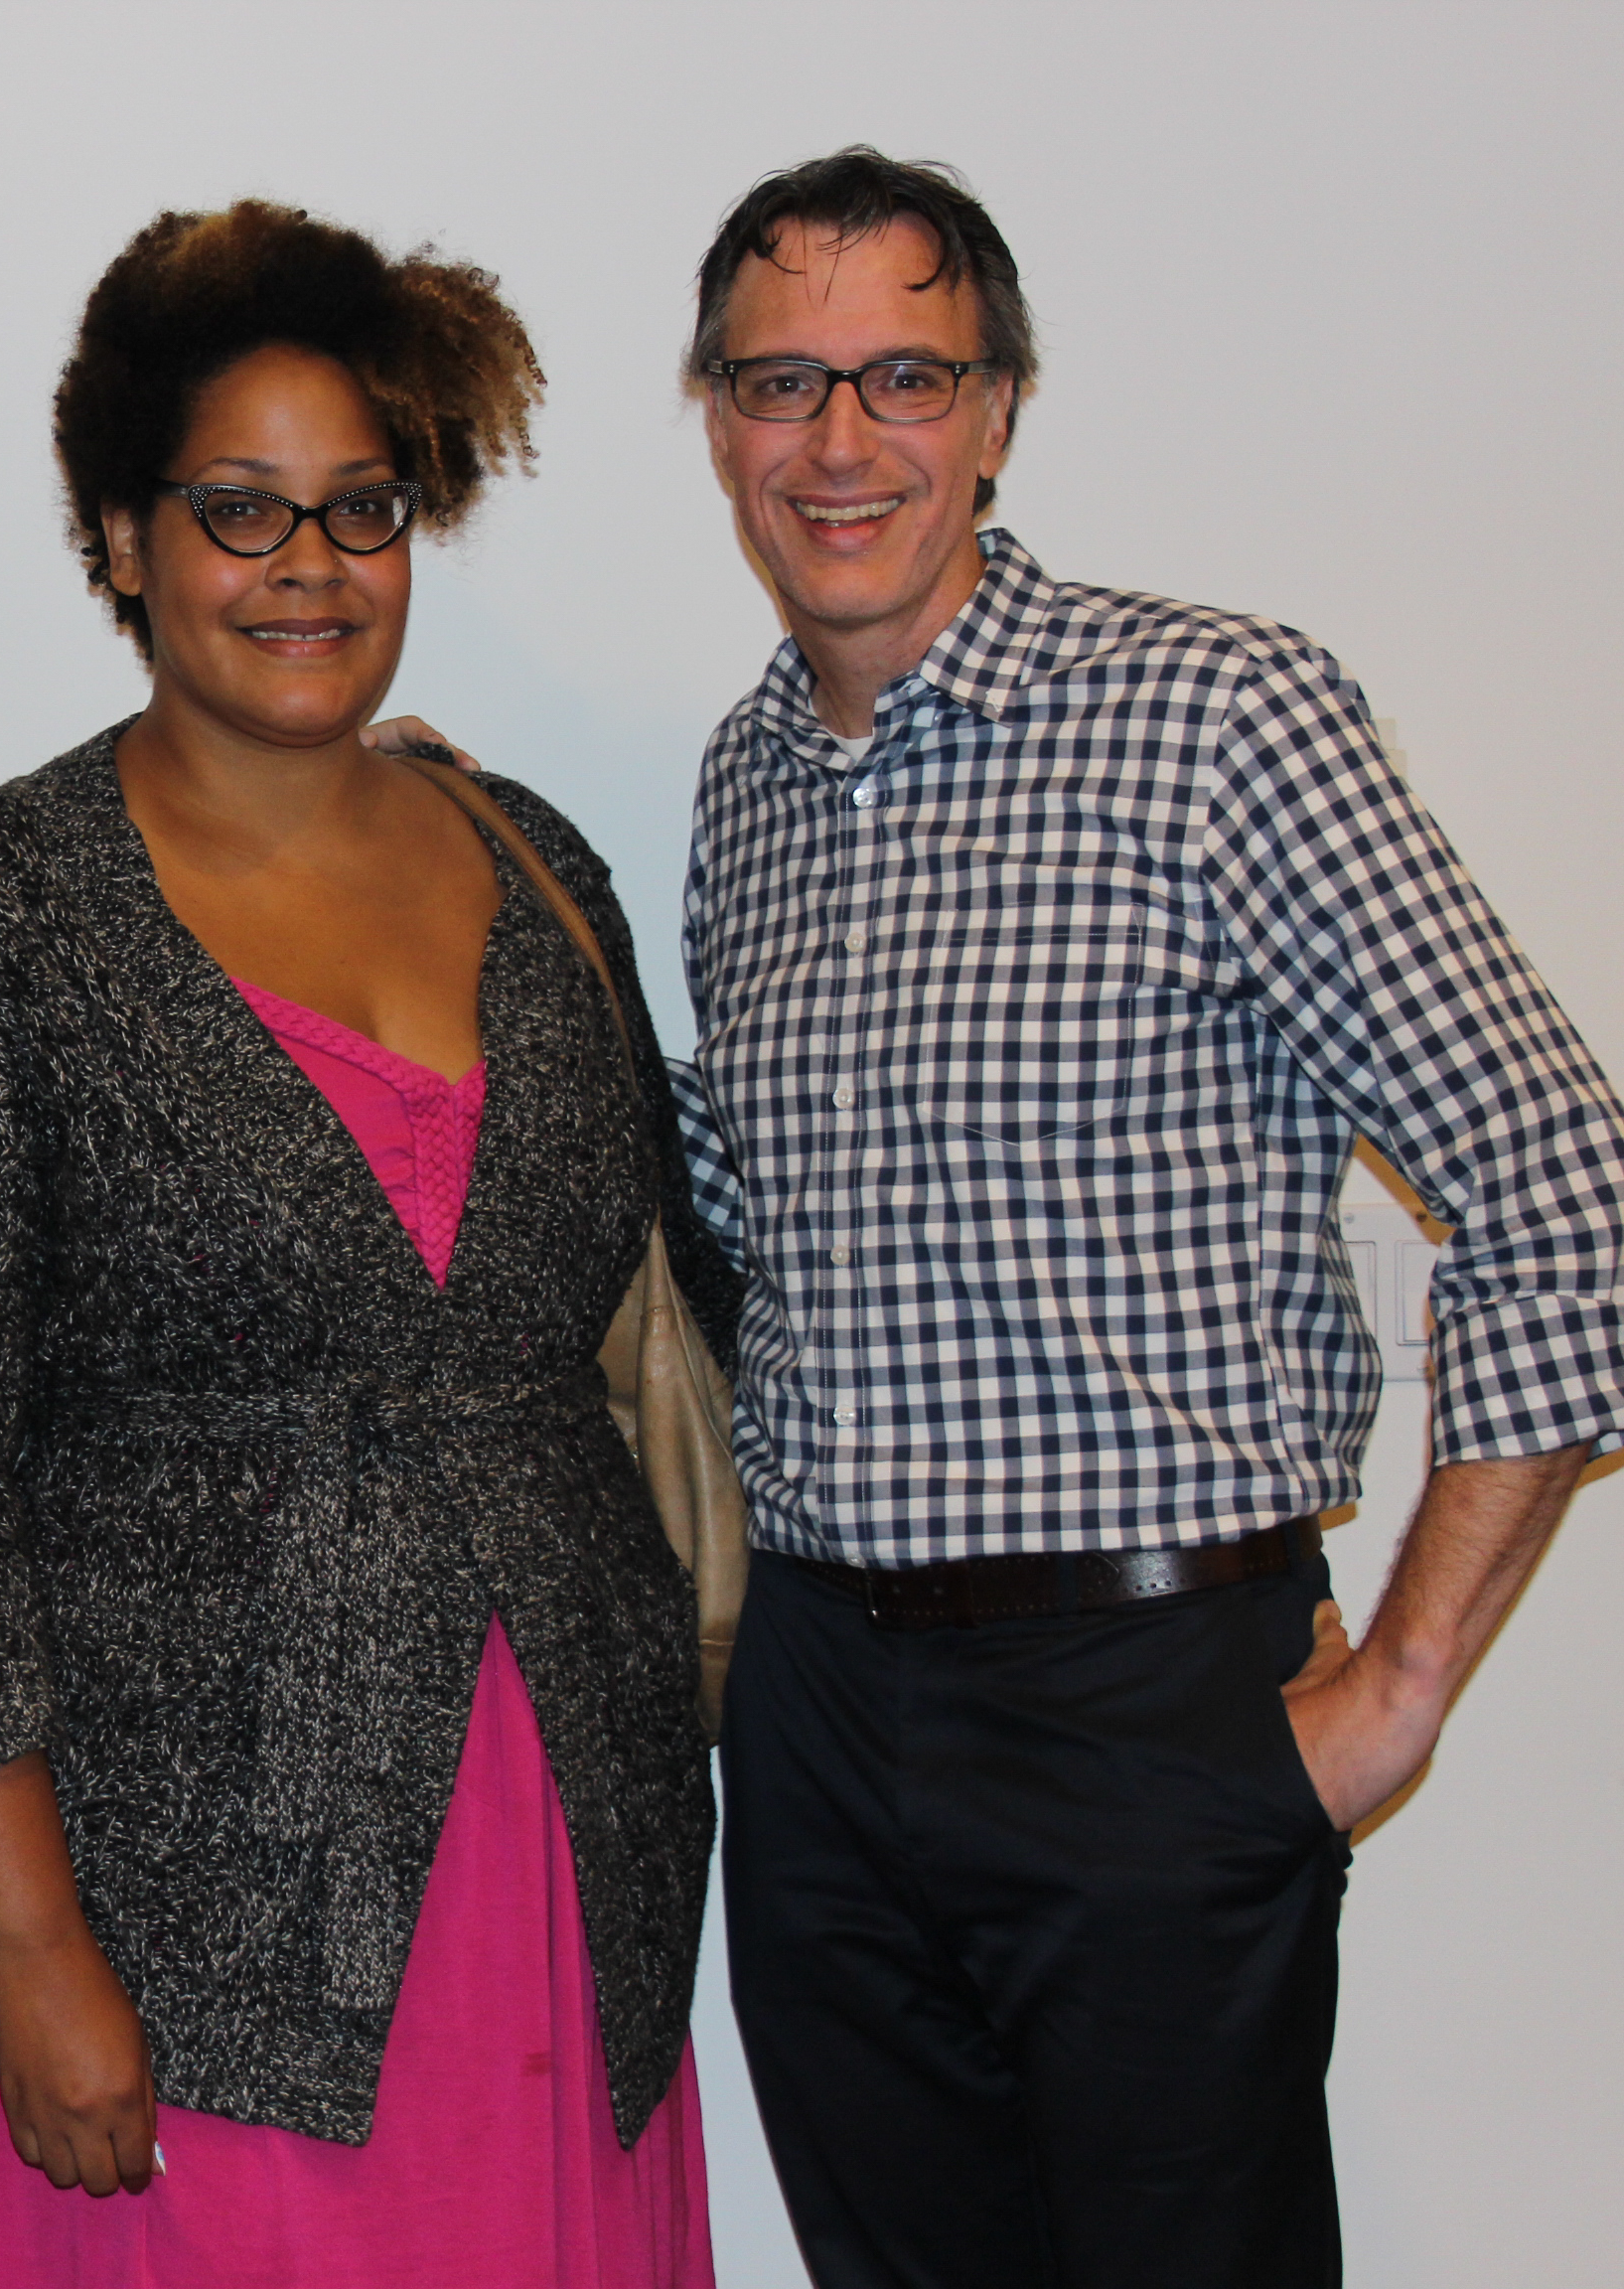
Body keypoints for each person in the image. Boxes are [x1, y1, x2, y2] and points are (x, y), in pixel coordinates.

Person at [670, 149, 1624, 2288]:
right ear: (716, 418)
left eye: (903, 375)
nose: (839, 444)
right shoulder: (740, 790)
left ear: (1000, 405)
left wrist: (1399, 1687)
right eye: (779, 381)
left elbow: (1566, 1189)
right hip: (820, 1714)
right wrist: (440, 870)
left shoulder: (1219, 717)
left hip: (1148, 1694)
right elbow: (750, 1227)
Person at [0, 202, 738, 2287]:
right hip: (157, 1914)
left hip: (553, 1866)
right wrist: (33, 1949)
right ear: (121, 537)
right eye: (240, 511)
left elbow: (683, 1293)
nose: (310, 568)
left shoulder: (535, 857)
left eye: (363, 509)